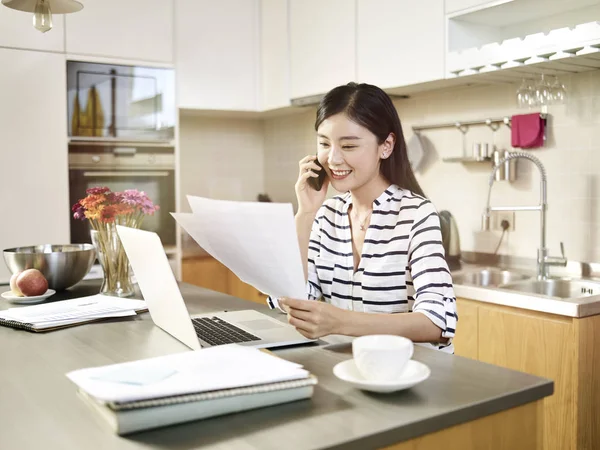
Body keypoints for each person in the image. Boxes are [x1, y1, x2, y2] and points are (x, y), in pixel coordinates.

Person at [277, 82, 457, 353]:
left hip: (408, 375)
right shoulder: (325, 216)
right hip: (346, 371)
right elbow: (291, 300)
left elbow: (437, 321)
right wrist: (305, 214)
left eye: (348, 146)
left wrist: (339, 321)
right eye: (324, 143)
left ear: (386, 146)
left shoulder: (417, 214)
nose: (333, 158)